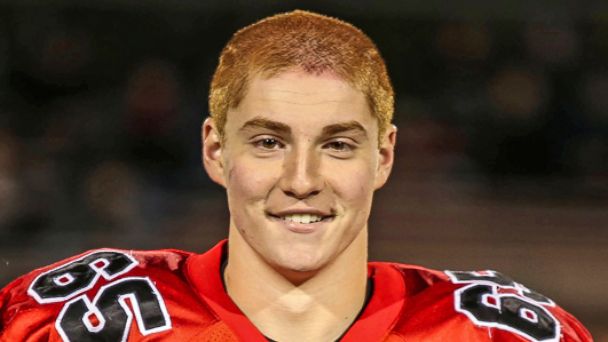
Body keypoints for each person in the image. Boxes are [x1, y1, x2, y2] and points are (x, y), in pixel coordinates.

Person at [0, 10, 592, 342]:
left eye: (337, 145)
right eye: (267, 141)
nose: (302, 180)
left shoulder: (497, 332)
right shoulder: (69, 322)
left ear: (383, 157)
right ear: (214, 150)